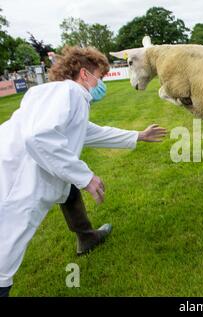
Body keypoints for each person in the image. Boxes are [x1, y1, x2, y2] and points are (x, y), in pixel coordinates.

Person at [0, 46, 167, 297]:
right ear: (84, 74)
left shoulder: (56, 93)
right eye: (99, 77)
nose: (101, 83)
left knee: (64, 194)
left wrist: (138, 136)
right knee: (4, 260)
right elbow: (39, 138)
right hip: (16, 184)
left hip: (16, 174)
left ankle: (87, 237)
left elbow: (91, 132)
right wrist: (85, 177)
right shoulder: (71, 91)